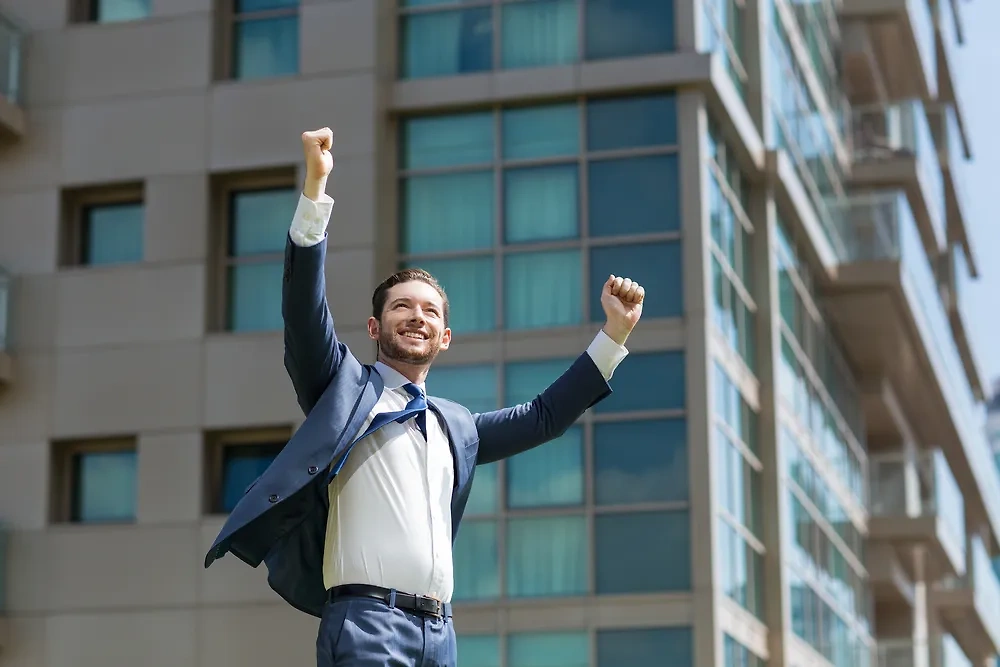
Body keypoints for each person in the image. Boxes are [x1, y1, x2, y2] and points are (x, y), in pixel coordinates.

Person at [204, 127, 648, 667]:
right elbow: (303, 311)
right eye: (401, 307)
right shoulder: (343, 388)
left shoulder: (456, 426)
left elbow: (545, 417)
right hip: (366, 622)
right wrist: (315, 192)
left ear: (445, 337)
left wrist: (614, 335)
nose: (417, 316)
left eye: (431, 312)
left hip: (440, 632)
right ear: (373, 326)